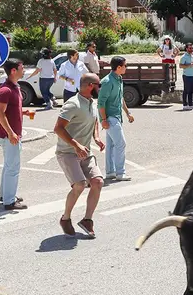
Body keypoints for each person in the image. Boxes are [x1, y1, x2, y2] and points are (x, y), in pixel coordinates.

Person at [54, 73, 105, 238]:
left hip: (85, 151)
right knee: (80, 185)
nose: (101, 89)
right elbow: (58, 128)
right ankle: (65, 218)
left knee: (97, 182)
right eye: (99, 85)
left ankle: (87, 220)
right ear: (90, 85)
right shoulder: (73, 104)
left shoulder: (92, 103)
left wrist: (96, 137)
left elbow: (94, 120)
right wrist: (75, 144)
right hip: (67, 152)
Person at [0, 59, 30, 211]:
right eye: (22, 68)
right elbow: (0, 114)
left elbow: (11, 109)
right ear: (13, 71)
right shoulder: (5, 90)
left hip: (12, 134)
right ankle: (9, 201)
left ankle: (5, 195)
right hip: (9, 135)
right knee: (13, 168)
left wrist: (24, 112)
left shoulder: (15, 87)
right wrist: (11, 133)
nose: (24, 70)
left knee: (8, 165)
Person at [98, 56, 134, 182]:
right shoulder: (107, 81)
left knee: (111, 145)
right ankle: (120, 173)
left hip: (116, 116)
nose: (126, 68)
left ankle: (110, 172)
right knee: (121, 143)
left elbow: (120, 97)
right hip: (110, 118)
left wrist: (128, 113)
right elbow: (100, 103)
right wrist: (103, 120)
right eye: (125, 65)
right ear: (119, 67)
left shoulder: (119, 79)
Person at [179, 43, 193, 111]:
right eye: (190, 48)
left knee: (191, 91)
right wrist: (190, 65)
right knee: (186, 90)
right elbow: (180, 66)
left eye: (192, 48)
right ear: (186, 49)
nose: (191, 49)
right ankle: (185, 104)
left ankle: (190, 104)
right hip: (187, 76)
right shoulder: (184, 57)